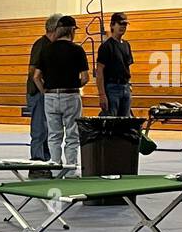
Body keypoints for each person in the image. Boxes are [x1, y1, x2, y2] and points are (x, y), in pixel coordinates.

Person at [32, 14, 89, 169]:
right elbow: (85, 78)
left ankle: (55, 166)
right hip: (70, 94)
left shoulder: (46, 49)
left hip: (50, 95)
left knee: (54, 134)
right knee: (72, 134)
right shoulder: (77, 50)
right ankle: (71, 169)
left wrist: (45, 92)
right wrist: (73, 84)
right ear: (72, 31)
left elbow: (36, 76)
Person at [27, 14, 62, 160]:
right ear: (55, 28)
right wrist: (43, 90)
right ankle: (37, 160)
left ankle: (46, 160)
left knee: (48, 130)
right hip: (39, 92)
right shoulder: (41, 45)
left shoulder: (53, 46)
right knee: (40, 130)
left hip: (46, 92)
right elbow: (32, 70)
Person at [95, 12, 134, 117]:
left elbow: (127, 67)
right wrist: (102, 94)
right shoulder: (106, 46)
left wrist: (129, 85)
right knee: (111, 122)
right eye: (120, 23)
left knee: (125, 123)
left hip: (125, 86)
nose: (123, 26)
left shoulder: (126, 45)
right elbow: (99, 71)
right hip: (112, 88)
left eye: (125, 24)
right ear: (112, 25)